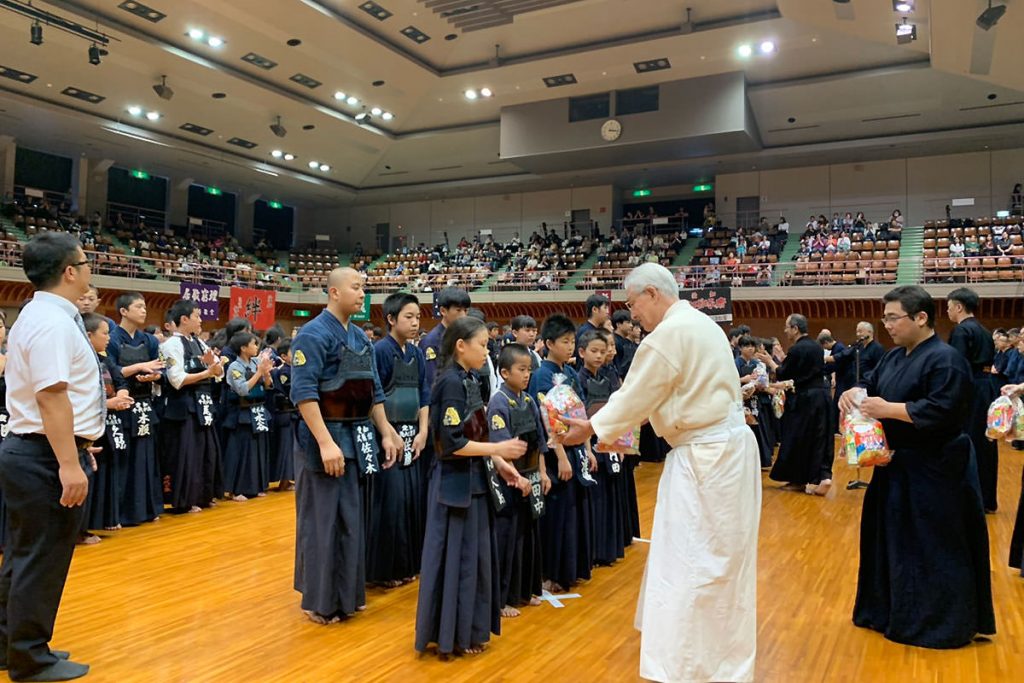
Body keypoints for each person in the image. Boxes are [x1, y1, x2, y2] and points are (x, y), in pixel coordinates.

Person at [560, 262, 760, 683]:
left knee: (691, 559)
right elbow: (663, 395)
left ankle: (687, 665)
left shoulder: (668, 334)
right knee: (723, 561)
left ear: (652, 293)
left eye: (634, 305)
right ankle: (721, 661)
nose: (634, 316)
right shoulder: (703, 324)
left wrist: (591, 427)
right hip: (727, 449)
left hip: (706, 457)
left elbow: (636, 395)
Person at [839, 285, 995, 648]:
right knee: (892, 541)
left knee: (933, 544)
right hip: (894, 465)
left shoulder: (946, 358)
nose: (887, 325)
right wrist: (855, 392)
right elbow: (871, 384)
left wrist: (888, 409)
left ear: (921, 317)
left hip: (937, 468)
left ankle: (938, 621)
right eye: (885, 318)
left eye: (893, 318)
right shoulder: (893, 358)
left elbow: (945, 410)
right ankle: (889, 611)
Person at [0, 232, 104, 681]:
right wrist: (68, 462)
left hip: (38, 451)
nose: (88, 270)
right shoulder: (52, 322)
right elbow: (51, 396)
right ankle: (28, 656)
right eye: (84, 263)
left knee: (26, 556)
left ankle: (13, 645)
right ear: (69, 271)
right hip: (43, 456)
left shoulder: (41, 315)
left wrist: (79, 447)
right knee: (41, 560)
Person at [290, 267, 400, 624]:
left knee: (350, 519)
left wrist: (386, 431)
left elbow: (374, 391)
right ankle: (320, 601)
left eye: (363, 288)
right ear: (334, 293)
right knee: (322, 521)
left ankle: (347, 595)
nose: (361, 294)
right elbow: (304, 394)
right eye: (356, 288)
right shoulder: (312, 335)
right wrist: (325, 443)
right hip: (326, 441)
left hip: (357, 439)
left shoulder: (360, 338)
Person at [414, 317, 527, 656]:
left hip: (476, 481)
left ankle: (471, 631)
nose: (487, 350)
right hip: (453, 485)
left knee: (476, 560)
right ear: (461, 345)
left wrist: (503, 466)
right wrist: (498, 450)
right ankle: (450, 636)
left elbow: (478, 435)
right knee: (456, 563)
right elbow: (451, 443)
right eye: (482, 344)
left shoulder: (473, 379)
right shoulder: (448, 382)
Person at [529, 313, 596, 593]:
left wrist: (587, 449)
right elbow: (546, 422)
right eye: (565, 341)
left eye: (572, 341)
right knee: (557, 514)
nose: (570, 347)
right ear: (548, 343)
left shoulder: (570, 373)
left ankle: (572, 569)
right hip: (557, 456)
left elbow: (580, 415)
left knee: (574, 511)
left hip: (577, 449)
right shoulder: (541, 376)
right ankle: (551, 573)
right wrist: (561, 457)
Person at [368, 292, 429, 588]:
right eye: (408, 316)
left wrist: (423, 431)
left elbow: (425, 395)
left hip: (412, 437)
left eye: (417, 317)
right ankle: (384, 572)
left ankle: (408, 566)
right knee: (389, 505)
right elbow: (374, 397)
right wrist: (388, 435)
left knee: (410, 504)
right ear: (391, 319)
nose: (415, 322)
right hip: (389, 439)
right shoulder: (380, 351)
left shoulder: (417, 354)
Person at [487, 343, 549, 618]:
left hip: (531, 474)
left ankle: (526, 590)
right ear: (503, 372)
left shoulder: (529, 400)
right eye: (521, 370)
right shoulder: (499, 402)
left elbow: (540, 442)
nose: (526, 375)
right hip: (510, 480)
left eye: (529, 370)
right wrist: (515, 478)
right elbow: (500, 448)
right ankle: (502, 600)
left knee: (529, 537)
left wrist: (543, 473)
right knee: (507, 540)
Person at [159, 300, 224, 514]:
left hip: (203, 406)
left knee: (207, 451)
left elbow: (218, 372)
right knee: (187, 454)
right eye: (197, 315)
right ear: (184, 319)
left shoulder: (200, 343)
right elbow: (176, 379)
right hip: (182, 406)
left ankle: (204, 495)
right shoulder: (170, 346)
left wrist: (215, 367)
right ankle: (184, 499)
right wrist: (207, 371)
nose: (200, 319)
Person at [105, 293, 164, 527]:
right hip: (120, 406)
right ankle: (118, 513)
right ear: (123, 311)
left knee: (145, 458)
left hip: (144, 404)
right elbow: (111, 371)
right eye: (138, 306)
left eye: (145, 306)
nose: (144, 311)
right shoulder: (111, 339)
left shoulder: (149, 340)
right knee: (123, 459)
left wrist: (154, 375)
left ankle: (147, 508)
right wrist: (138, 367)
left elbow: (159, 368)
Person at [766, 314, 834, 496]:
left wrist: (769, 361)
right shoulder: (816, 347)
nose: (785, 330)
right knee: (821, 437)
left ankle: (798, 480)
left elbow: (782, 372)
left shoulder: (797, 349)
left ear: (795, 328)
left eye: (787, 327)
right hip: (822, 396)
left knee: (797, 437)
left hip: (805, 400)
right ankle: (824, 475)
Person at [946, 288, 1000, 513]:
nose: (948, 311)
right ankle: (987, 499)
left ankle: (968, 498)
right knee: (986, 442)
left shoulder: (961, 331)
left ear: (959, 307)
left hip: (970, 389)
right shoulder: (985, 331)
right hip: (986, 386)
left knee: (966, 441)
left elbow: (957, 366)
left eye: (949, 307)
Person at [576, 330, 627, 567]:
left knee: (610, 493)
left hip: (609, 443)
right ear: (582, 352)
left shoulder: (607, 378)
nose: (599, 356)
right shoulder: (579, 379)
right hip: (591, 444)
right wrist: (587, 449)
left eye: (602, 351)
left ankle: (609, 549)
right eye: (594, 351)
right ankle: (595, 552)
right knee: (595, 496)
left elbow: (619, 413)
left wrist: (623, 443)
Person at [83, 313, 133, 536]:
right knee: (90, 473)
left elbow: (120, 378)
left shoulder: (104, 359)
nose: (109, 338)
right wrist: (109, 403)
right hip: (88, 425)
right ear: (88, 335)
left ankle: (104, 518)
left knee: (108, 470)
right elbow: (80, 396)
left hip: (110, 421)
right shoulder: (80, 360)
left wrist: (122, 395)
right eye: (104, 333)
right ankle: (82, 528)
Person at [223, 333, 274, 501]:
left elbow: (269, 386)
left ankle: (256, 485)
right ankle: (236, 489)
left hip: (258, 410)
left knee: (257, 450)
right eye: (253, 344)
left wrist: (266, 374)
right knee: (241, 451)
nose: (256, 347)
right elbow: (242, 389)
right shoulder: (234, 367)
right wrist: (259, 372)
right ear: (243, 348)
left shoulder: (256, 363)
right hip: (241, 413)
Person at [828, 322, 885, 429]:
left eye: (860, 331)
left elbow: (880, 370)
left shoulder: (877, 348)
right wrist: (826, 359)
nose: (858, 334)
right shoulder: (858, 347)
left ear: (869, 332)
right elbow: (843, 355)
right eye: (857, 331)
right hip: (858, 386)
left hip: (871, 387)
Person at [268, 340, 296, 491]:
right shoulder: (285, 371)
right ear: (284, 356)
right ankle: (284, 480)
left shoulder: (293, 369)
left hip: (291, 414)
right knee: (285, 448)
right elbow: (289, 390)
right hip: (285, 414)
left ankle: (288, 479)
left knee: (289, 447)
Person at [575, 294, 610, 362]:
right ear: (594, 309)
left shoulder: (597, 329)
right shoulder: (585, 331)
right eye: (605, 308)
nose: (607, 312)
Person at [611, 309, 637, 378]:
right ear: (618, 324)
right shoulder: (614, 342)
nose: (631, 326)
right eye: (628, 322)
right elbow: (618, 367)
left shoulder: (625, 341)